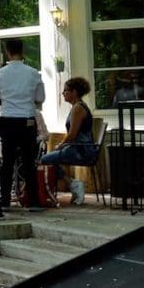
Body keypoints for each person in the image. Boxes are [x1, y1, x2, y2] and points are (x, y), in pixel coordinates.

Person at [0, 38, 45, 211]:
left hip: (7, 120)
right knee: (29, 161)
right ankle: (34, 202)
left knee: (7, 162)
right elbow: (40, 98)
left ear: (7, 52)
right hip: (27, 121)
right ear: (22, 51)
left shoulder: (0, 74)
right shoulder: (33, 73)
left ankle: (5, 201)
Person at [40, 77, 99, 205]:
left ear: (74, 92)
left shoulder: (78, 108)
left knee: (45, 160)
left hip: (81, 151)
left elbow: (72, 134)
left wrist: (60, 145)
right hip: (79, 148)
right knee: (49, 159)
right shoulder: (77, 107)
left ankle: (73, 184)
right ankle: (73, 184)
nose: (63, 93)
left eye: (66, 90)